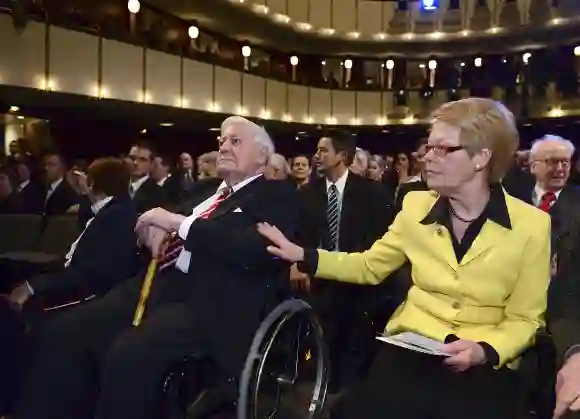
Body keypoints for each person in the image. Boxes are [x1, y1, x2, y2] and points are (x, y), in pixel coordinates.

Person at [258, 98, 551, 419]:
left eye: (442, 149)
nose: (428, 158)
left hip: (486, 358)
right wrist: (304, 255)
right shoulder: (415, 205)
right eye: (428, 148)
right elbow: (369, 266)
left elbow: (526, 319)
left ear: (482, 157)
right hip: (412, 346)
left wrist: (486, 350)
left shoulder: (532, 225)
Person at [14, 116, 301, 419]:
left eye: (235, 141)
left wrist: (179, 224)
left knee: (127, 355)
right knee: (63, 332)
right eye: (221, 141)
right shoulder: (205, 191)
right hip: (155, 284)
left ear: (262, 156)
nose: (223, 147)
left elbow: (251, 249)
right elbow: (158, 221)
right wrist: (148, 230)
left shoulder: (276, 195)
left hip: (211, 299)